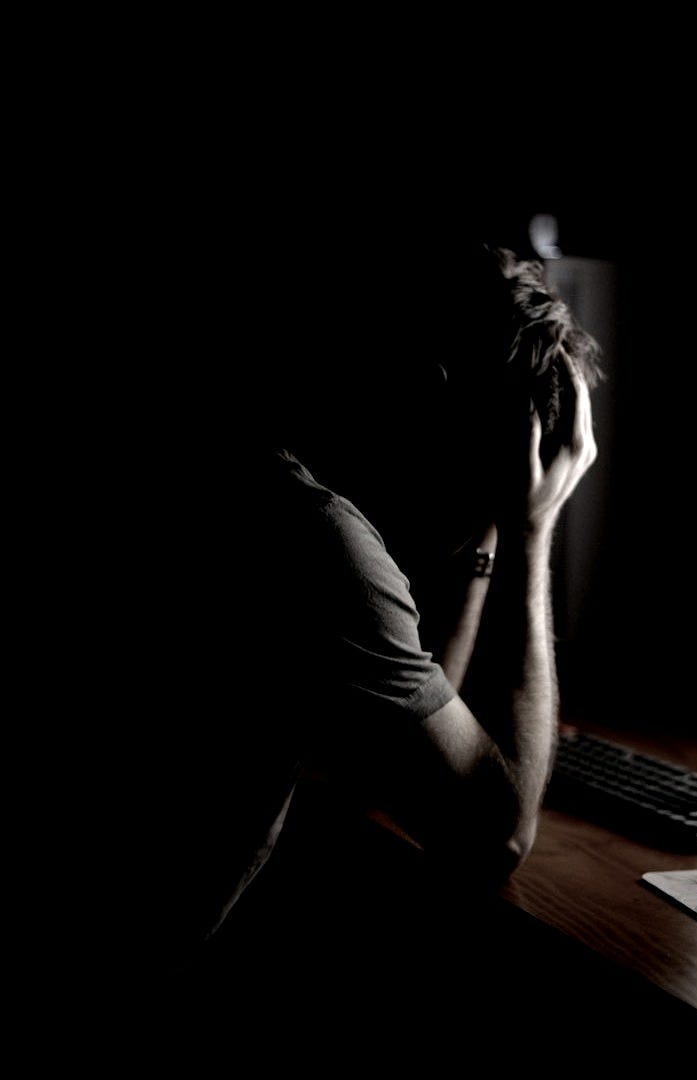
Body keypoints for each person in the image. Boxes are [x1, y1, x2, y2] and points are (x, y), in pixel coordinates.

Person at [190, 232, 604, 1012]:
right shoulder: (316, 542)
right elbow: (495, 838)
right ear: (432, 392)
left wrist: (488, 530)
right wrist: (529, 533)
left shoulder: (242, 467)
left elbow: (386, 760)